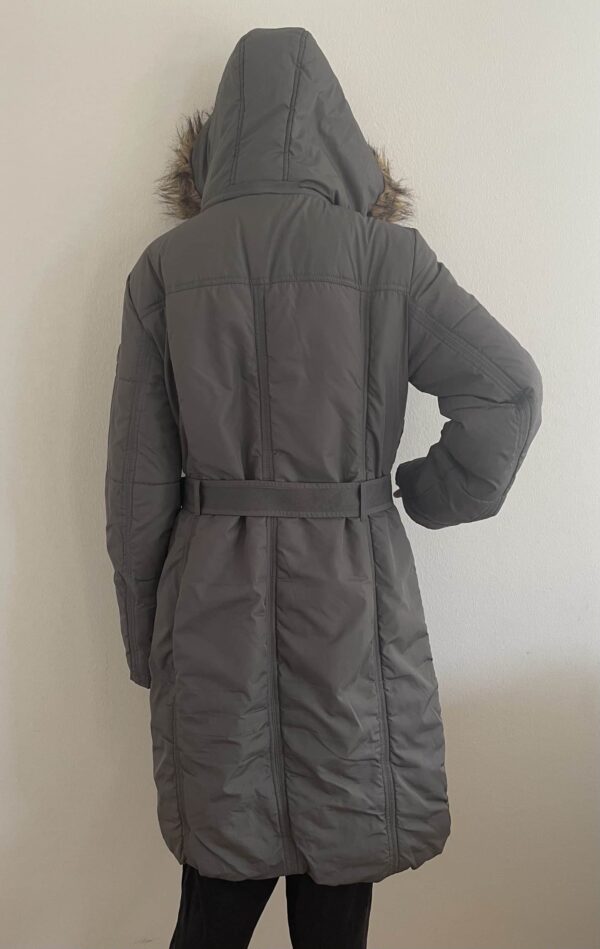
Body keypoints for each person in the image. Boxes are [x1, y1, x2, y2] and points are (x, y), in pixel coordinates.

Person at [104, 26, 543, 949]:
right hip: (354, 600)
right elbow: (506, 390)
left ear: (220, 135)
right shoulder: (389, 262)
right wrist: (425, 491)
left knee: (213, 899)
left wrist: (152, 645)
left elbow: (137, 490)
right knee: (340, 883)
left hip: (209, 607)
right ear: (338, 134)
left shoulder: (166, 271)